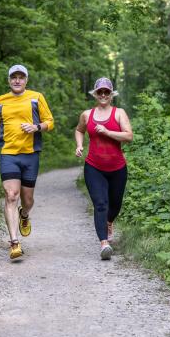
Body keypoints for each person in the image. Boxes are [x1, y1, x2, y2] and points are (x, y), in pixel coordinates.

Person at [0, 64, 55, 261]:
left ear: (26, 80)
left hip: (30, 154)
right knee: (10, 195)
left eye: (21, 77)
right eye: (13, 77)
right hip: (8, 154)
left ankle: (24, 215)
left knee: (27, 200)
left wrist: (36, 127)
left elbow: (50, 122)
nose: (17, 80)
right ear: (9, 80)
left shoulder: (36, 97)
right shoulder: (0, 100)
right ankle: (14, 243)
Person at [74, 77, 133, 260]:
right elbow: (79, 130)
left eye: (107, 91)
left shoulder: (119, 113)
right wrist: (79, 145)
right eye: (100, 91)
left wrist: (107, 132)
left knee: (115, 205)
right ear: (95, 94)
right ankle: (104, 243)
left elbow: (129, 136)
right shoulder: (87, 115)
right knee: (100, 204)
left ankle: (108, 222)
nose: (103, 95)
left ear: (111, 94)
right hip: (94, 167)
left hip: (117, 168)